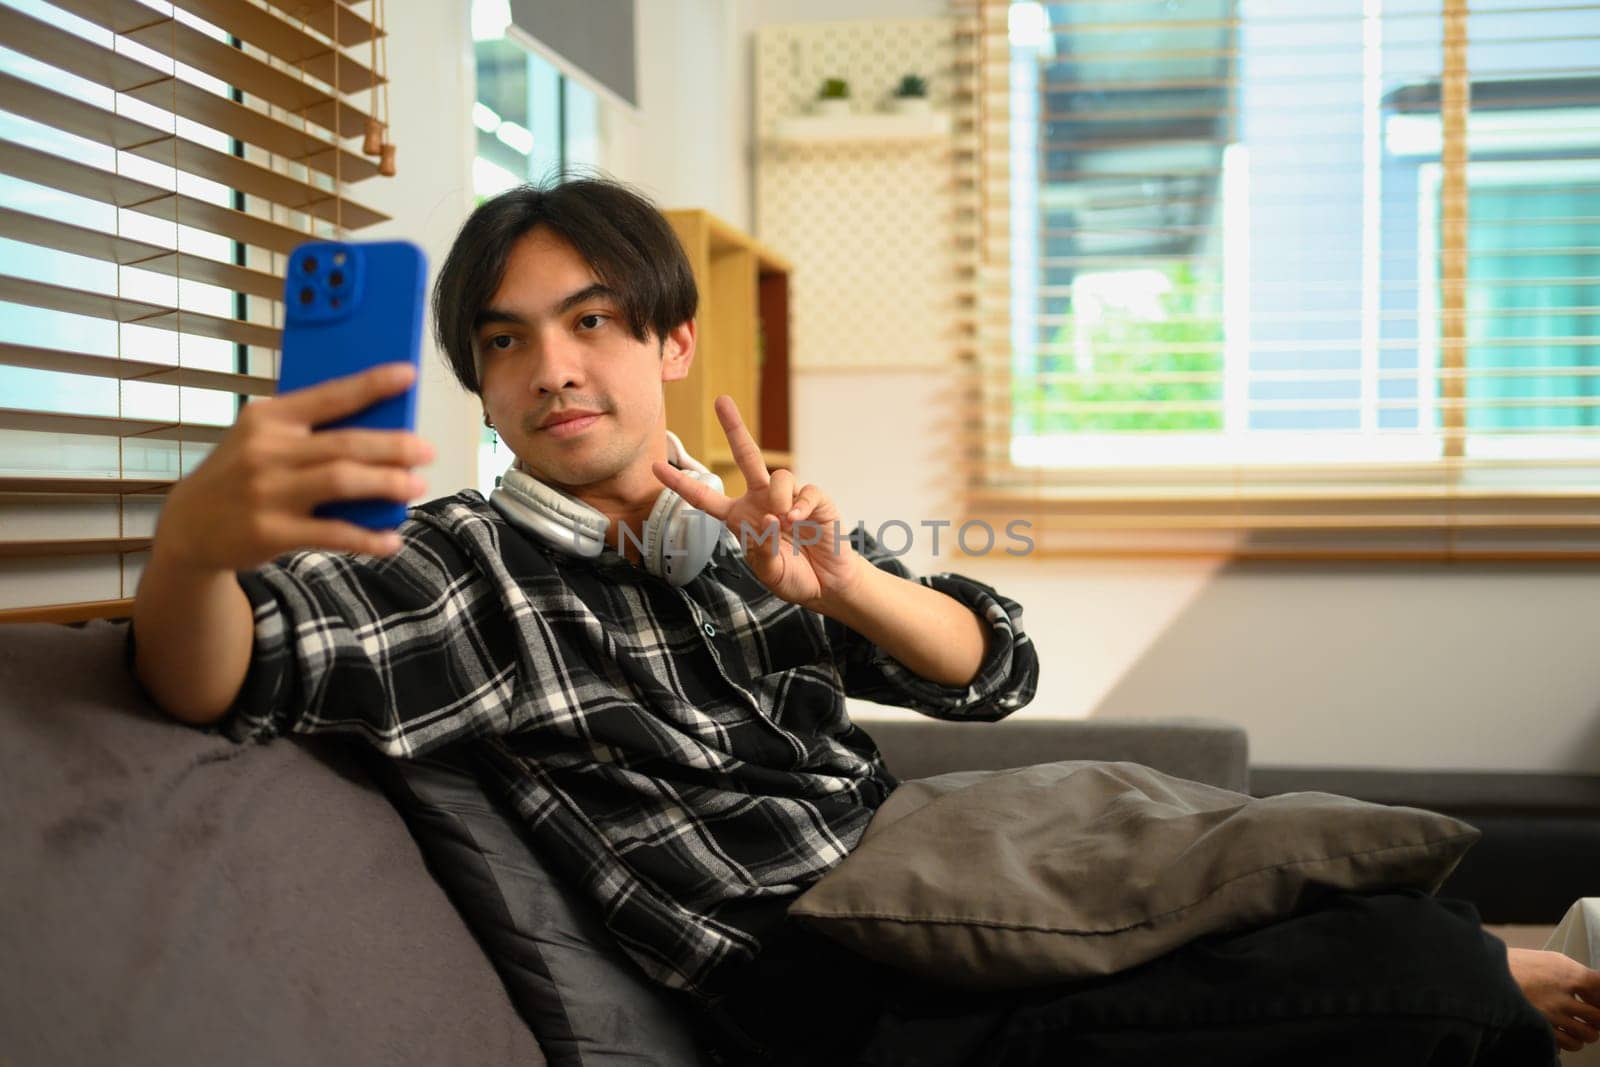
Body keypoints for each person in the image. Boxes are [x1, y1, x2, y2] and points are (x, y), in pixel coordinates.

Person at [131, 177, 1593, 1064]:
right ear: (477, 379)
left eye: (592, 324)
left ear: (670, 342)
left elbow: (992, 668)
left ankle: (1500, 968)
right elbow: (225, 674)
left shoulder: (732, 523)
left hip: (953, 895)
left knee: (1309, 859)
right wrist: (195, 546)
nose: (553, 370)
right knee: (1416, 985)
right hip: (838, 1000)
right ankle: (1500, 982)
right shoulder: (469, 571)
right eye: (507, 343)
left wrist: (845, 583)